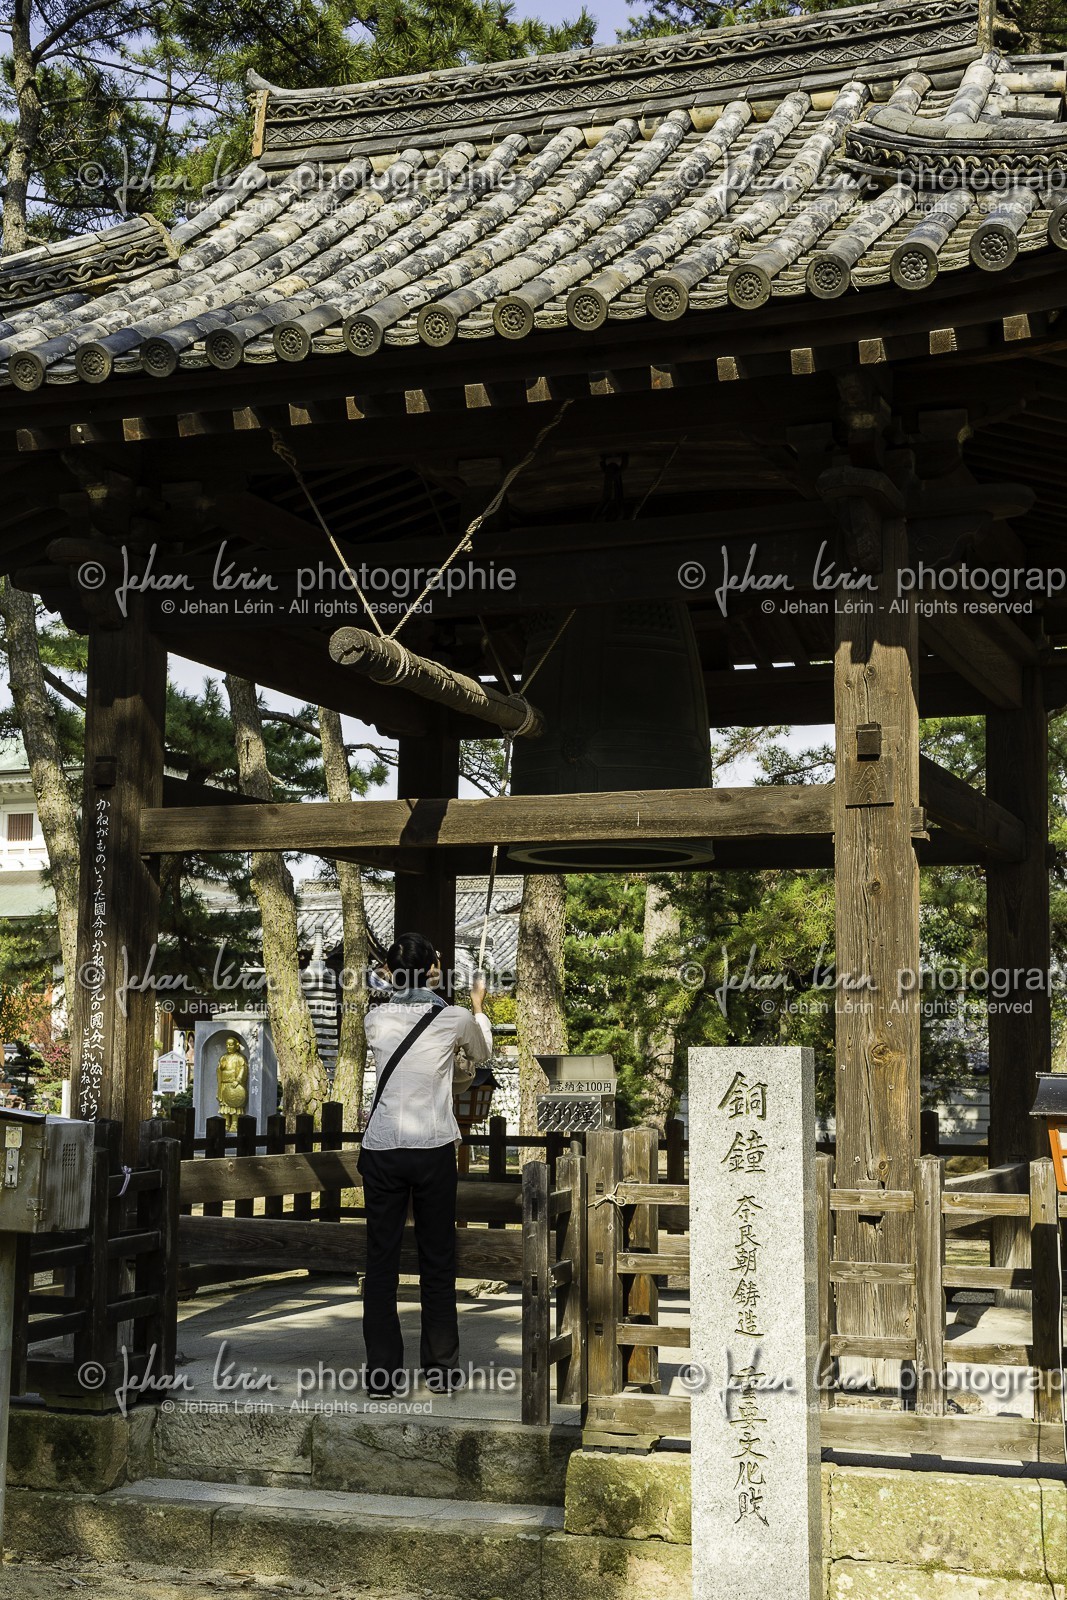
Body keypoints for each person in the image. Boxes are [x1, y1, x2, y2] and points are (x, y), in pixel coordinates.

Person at [359, 932, 491, 1396]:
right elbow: (482, 1054)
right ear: (432, 968)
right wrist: (477, 1006)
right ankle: (440, 1370)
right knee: (437, 1260)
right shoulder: (452, 1017)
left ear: (392, 972)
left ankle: (381, 1375)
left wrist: (405, 980)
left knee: (381, 1263)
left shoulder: (374, 1019)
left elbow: (401, 1006)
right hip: (433, 1147)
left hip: (381, 1147)